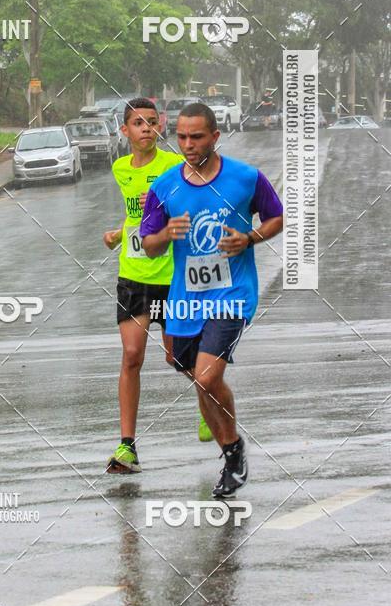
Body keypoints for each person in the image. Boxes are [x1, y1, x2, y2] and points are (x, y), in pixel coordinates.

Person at [140, 102, 283, 497]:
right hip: (186, 300)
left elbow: (276, 216)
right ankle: (231, 451)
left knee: (207, 377)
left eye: (196, 136)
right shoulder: (164, 186)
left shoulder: (245, 178)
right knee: (199, 381)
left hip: (232, 295)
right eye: (182, 136)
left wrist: (250, 237)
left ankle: (233, 453)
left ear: (215, 136)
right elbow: (149, 247)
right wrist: (165, 233)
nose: (187, 144)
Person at [103, 97, 212, 475]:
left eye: (151, 122)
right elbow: (139, 214)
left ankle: (209, 400)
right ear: (125, 131)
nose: (146, 128)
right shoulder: (120, 169)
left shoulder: (173, 165)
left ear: (159, 127)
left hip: (171, 278)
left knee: (176, 357)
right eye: (137, 123)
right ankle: (127, 445)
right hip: (133, 276)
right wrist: (121, 233)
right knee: (132, 355)